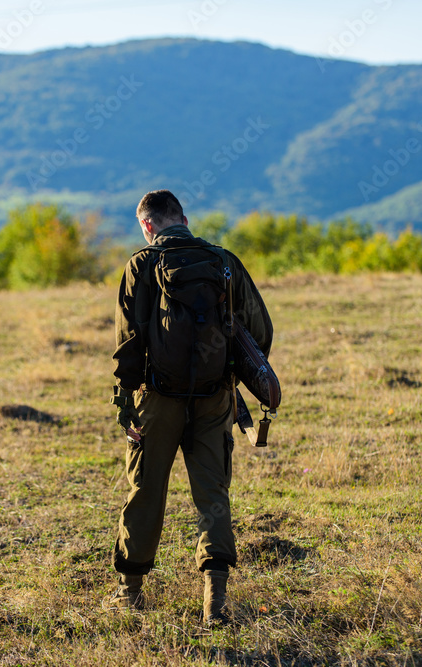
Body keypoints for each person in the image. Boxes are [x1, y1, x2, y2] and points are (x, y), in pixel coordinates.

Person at [109, 189, 273, 624]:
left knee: (145, 491)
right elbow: (259, 332)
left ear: (147, 225)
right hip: (215, 398)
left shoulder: (141, 265)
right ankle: (215, 603)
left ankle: (129, 595)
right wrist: (228, 376)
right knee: (212, 495)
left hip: (156, 400)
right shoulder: (224, 262)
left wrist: (126, 402)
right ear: (183, 219)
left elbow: (128, 342)